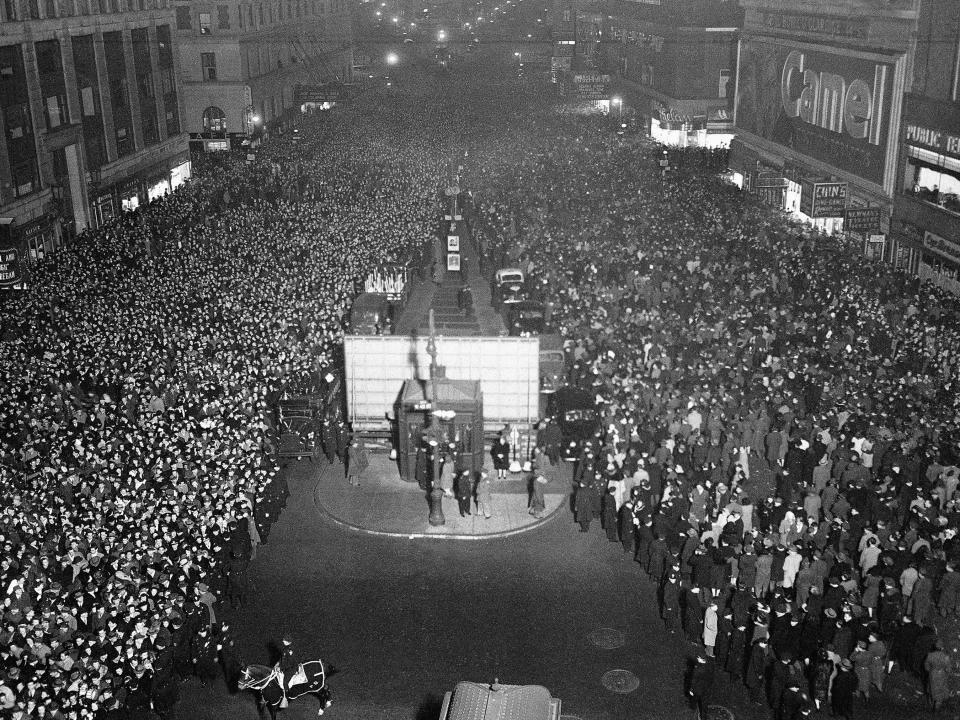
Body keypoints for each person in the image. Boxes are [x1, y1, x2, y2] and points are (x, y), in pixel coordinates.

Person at [688, 653, 715, 720]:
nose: (697, 658)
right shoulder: (710, 665)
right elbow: (711, 677)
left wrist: (691, 689)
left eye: (698, 658)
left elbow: (694, 680)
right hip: (706, 689)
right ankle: (703, 717)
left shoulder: (698, 669)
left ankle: (692, 706)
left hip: (698, 689)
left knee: (694, 699)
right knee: (704, 705)